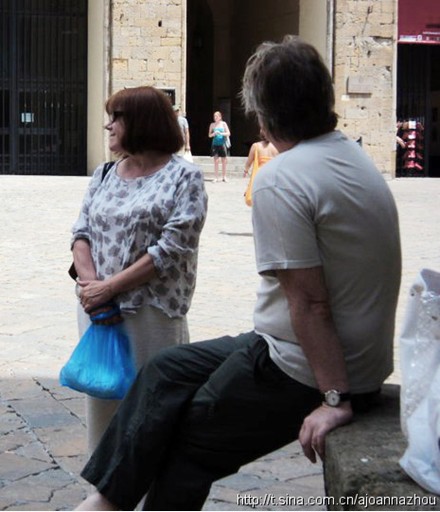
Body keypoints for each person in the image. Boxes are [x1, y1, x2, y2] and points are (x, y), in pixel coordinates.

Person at [75, 36, 401, 511]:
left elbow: (310, 303)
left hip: (303, 366)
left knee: (187, 440)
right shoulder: (352, 157)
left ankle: (106, 504)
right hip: (312, 349)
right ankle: (105, 500)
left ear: (261, 113)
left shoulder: (283, 178)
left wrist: (335, 399)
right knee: (165, 371)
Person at [71, 86, 208, 454]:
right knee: (103, 407)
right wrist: (93, 287)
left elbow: (172, 249)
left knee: (153, 412)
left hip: (151, 316)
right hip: (99, 311)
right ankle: (106, 482)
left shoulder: (184, 178)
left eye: (117, 118)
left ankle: (152, 486)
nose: (109, 126)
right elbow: (81, 233)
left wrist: (109, 288)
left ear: (143, 122)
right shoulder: (104, 174)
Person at [243, 130, 278, 206]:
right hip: (272, 175)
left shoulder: (256, 146)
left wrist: (245, 170)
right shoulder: (276, 146)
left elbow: (249, 162)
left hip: (259, 174)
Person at [208, 110, 230, 182]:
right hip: (215, 144)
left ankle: (224, 176)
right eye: (214, 116)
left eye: (217, 116)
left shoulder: (223, 124)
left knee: (224, 161)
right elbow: (209, 135)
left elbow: (228, 133)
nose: (215, 117)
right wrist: (213, 134)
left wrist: (221, 133)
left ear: (220, 117)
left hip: (222, 144)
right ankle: (216, 177)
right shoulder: (212, 125)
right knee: (216, 161)